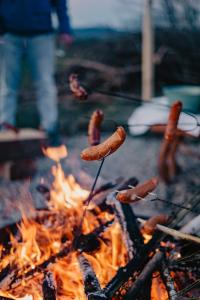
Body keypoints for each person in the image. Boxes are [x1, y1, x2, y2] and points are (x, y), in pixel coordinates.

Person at [0, 0, 73, 146]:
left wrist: (64, 27)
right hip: (8, 33)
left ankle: (50, 129)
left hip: (42, 32)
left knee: (45, 83)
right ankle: (4, 129)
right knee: (7, 85)